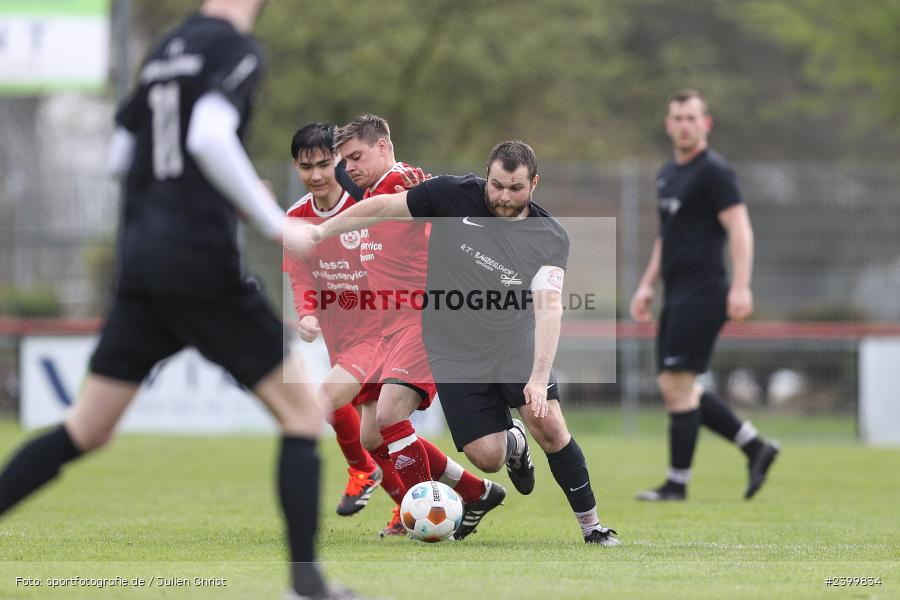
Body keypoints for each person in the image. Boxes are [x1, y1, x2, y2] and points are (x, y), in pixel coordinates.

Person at [0, 2, 352, 598]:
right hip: (200, 265)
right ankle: (306, 585)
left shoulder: (163, 52)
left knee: (87, 427)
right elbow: (209, 134)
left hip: (142, 262)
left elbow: (120, 155)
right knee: (301, 414)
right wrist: (272, 221)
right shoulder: (233, 48)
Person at [292, 140, 621, 546]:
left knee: (549, 425)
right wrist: (323, 229)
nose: (503, 197)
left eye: (515, 188)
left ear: (534, 183)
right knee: (488, 457)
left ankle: (593, 528)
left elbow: (550, 307)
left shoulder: (550, 236)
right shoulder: (452, 195)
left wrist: (537, 380)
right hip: (452, 350)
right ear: (487, 177)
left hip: (512, 343)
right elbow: (383, 208)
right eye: (497, 186)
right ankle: (511, 443)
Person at [331, 114, 502, 539]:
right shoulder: (370, 192)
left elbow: (443, 205)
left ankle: (423, 520)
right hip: (385, 327)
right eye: (344, 160)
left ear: (384, 146)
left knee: (389, 415)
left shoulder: (404, 180)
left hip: (423, 319)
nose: (348, 167)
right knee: (372, 435)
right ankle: (476, 491)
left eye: (356, 156)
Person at [630, 89, 780, 502]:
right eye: (677, 117)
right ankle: (755, 447)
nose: (684, 124)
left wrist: (742, 284)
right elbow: (667, 237)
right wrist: (647, 284)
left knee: (677, 384)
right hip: (675, 294)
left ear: (705, 123)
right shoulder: (667, 174)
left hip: (705, 292)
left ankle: (677, 484)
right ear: (668, 124)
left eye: (691, 117)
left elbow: (740, 229)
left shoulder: (715, 172)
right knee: (678, 384)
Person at [284, 122, 405, 520]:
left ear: (338, 161)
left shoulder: (363, 205)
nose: (316, 175)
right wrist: (306, 313)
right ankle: (421, 503)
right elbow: (299, 274)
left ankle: (362, 471)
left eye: (324, 164)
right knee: (374, 434)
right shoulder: (296, 217)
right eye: (306, 167)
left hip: (378, 332)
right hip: (341, 338)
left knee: (325, 400)